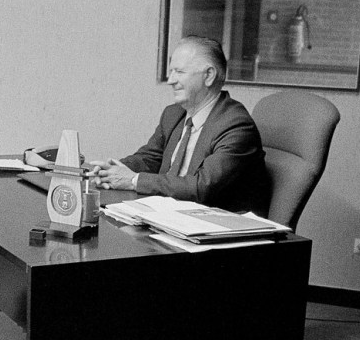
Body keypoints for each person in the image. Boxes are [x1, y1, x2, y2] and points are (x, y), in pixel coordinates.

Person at [91, 36, 269, 215]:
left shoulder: (236, 125)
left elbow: (201, 187)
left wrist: (133, 180)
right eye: (171, 71)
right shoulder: (173, 114)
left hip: (220, 225)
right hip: (171, 217)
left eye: (179, 72)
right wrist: (111, 171)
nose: (170, 80)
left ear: (209, 75)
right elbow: (149, 158)